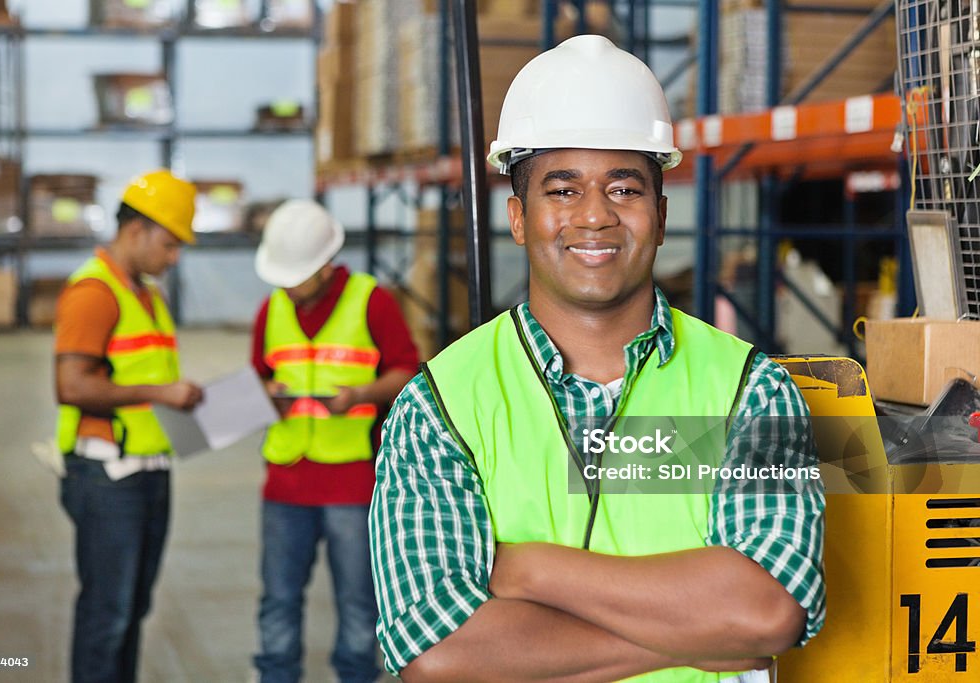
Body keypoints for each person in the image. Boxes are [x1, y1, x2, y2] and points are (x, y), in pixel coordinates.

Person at [369, 35, 825, 683]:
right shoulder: (442, 404)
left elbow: (766, 611)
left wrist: (528, 569)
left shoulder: (751, 391)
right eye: (561, 190)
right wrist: (691, 637)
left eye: (624, 189)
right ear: (518, 217)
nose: (594, 216)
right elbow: (438, 654)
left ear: (660, 216)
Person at [250, 199, 419, 683]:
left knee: (359, 602)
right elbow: (257, 379)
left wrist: (363, 394)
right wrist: (269, 395)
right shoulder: (271, 309)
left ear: (325, 266)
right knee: (278, 600)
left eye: (295, 275)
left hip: (353, 483)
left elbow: (407, 370)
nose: (286, 285)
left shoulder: (372, 302)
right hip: (284, 482)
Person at [54, 169, 205, 683]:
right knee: (108, 616)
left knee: (132, 611)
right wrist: (161, 393)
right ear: (136, 230)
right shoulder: (93, 293)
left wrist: (180, 398)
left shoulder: (148, 296)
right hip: (107, 479)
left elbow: (144, 379)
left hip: (149, 470)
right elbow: (71, 387)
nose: (175, 258)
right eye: (169, 244)